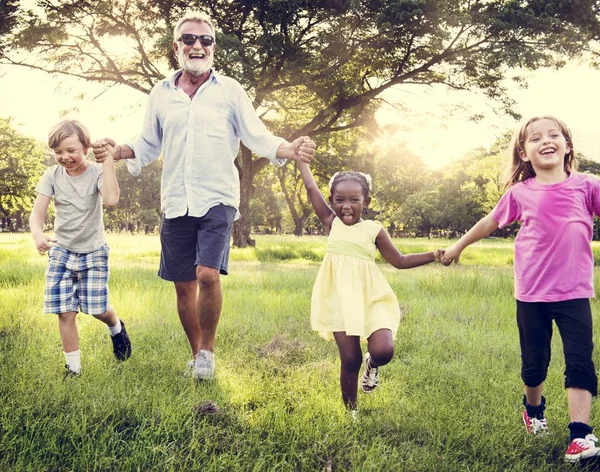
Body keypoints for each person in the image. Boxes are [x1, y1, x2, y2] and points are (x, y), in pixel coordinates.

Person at [91, 11, 315, 381]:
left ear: (213, 47)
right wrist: (119, 151)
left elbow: (256, 135)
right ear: (176, 47)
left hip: (218, 196)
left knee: (207, 274)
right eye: (190, 40)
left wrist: (287, 148)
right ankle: (195, 356)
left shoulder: (231, 91)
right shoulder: (160, 94)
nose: (198, 46)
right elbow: (148, 143)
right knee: (183, 284)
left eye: (205, 40)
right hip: (176, 198)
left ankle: (208, 353)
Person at [441, 115, 600, 463]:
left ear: (567, 145)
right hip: (532, 293)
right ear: (524, 153)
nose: (546, 140)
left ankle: (580, 435)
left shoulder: (587, 186)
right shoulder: (520, 193)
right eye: (535, 138)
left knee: (580, 360)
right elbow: (490, 221)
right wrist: (457, 247)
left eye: (554, 134)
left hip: (574, 291)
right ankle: (534, 409)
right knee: (534, 363)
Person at [296, 158, 444, 416]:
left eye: (354, 199)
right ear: (331, 200)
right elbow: (310, 187)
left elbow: (399, 261)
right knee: (350, 358)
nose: (346, 206)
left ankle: (372, 364)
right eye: (339, 199)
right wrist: (301, 161)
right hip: (338, 299)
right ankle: (351, 413)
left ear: (367, 202)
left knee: (383, 350)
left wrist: (433, 254)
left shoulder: (375, 230)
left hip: (371, 298)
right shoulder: (332, 224)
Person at [29, 119, 132, 377]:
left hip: (93, 252)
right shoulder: (51, 176)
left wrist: (108, 162)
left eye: (71, 150)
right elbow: (37, 214)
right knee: (65, 311)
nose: (64, 157)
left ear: (86, 147)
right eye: (58, 152)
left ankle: (117, 327)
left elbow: (111, 200)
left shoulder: (97, 172)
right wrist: (38, 234)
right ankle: (73, 370)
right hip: (61, 251)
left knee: (97, 308)